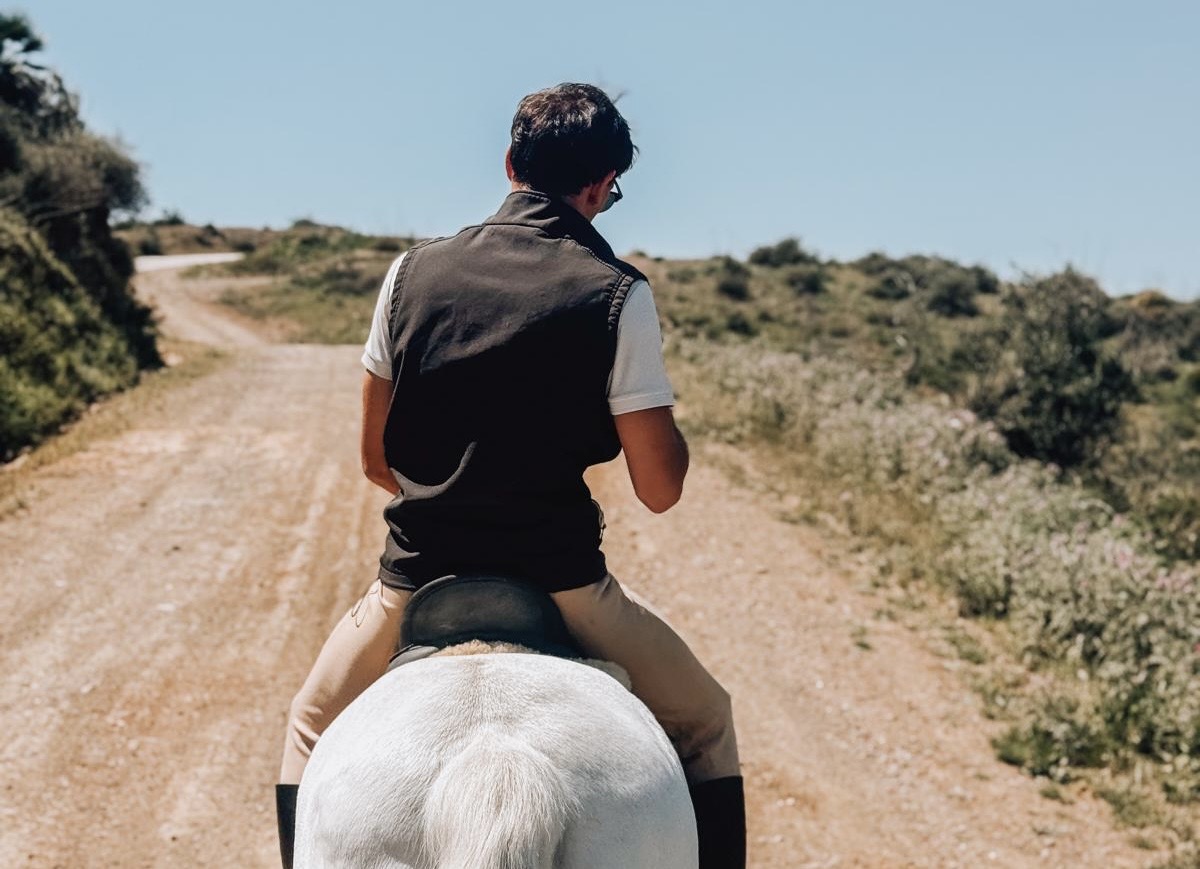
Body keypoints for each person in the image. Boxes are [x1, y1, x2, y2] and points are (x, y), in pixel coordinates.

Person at [275, 82, 745, 868]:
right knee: (706, 718)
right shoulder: (617, 294)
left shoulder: (408, 275)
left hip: (414, 579)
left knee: (310, 723)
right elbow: (660, 489)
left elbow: (373, 459)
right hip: (562, 580)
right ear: (601, 186)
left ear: (509, 163)